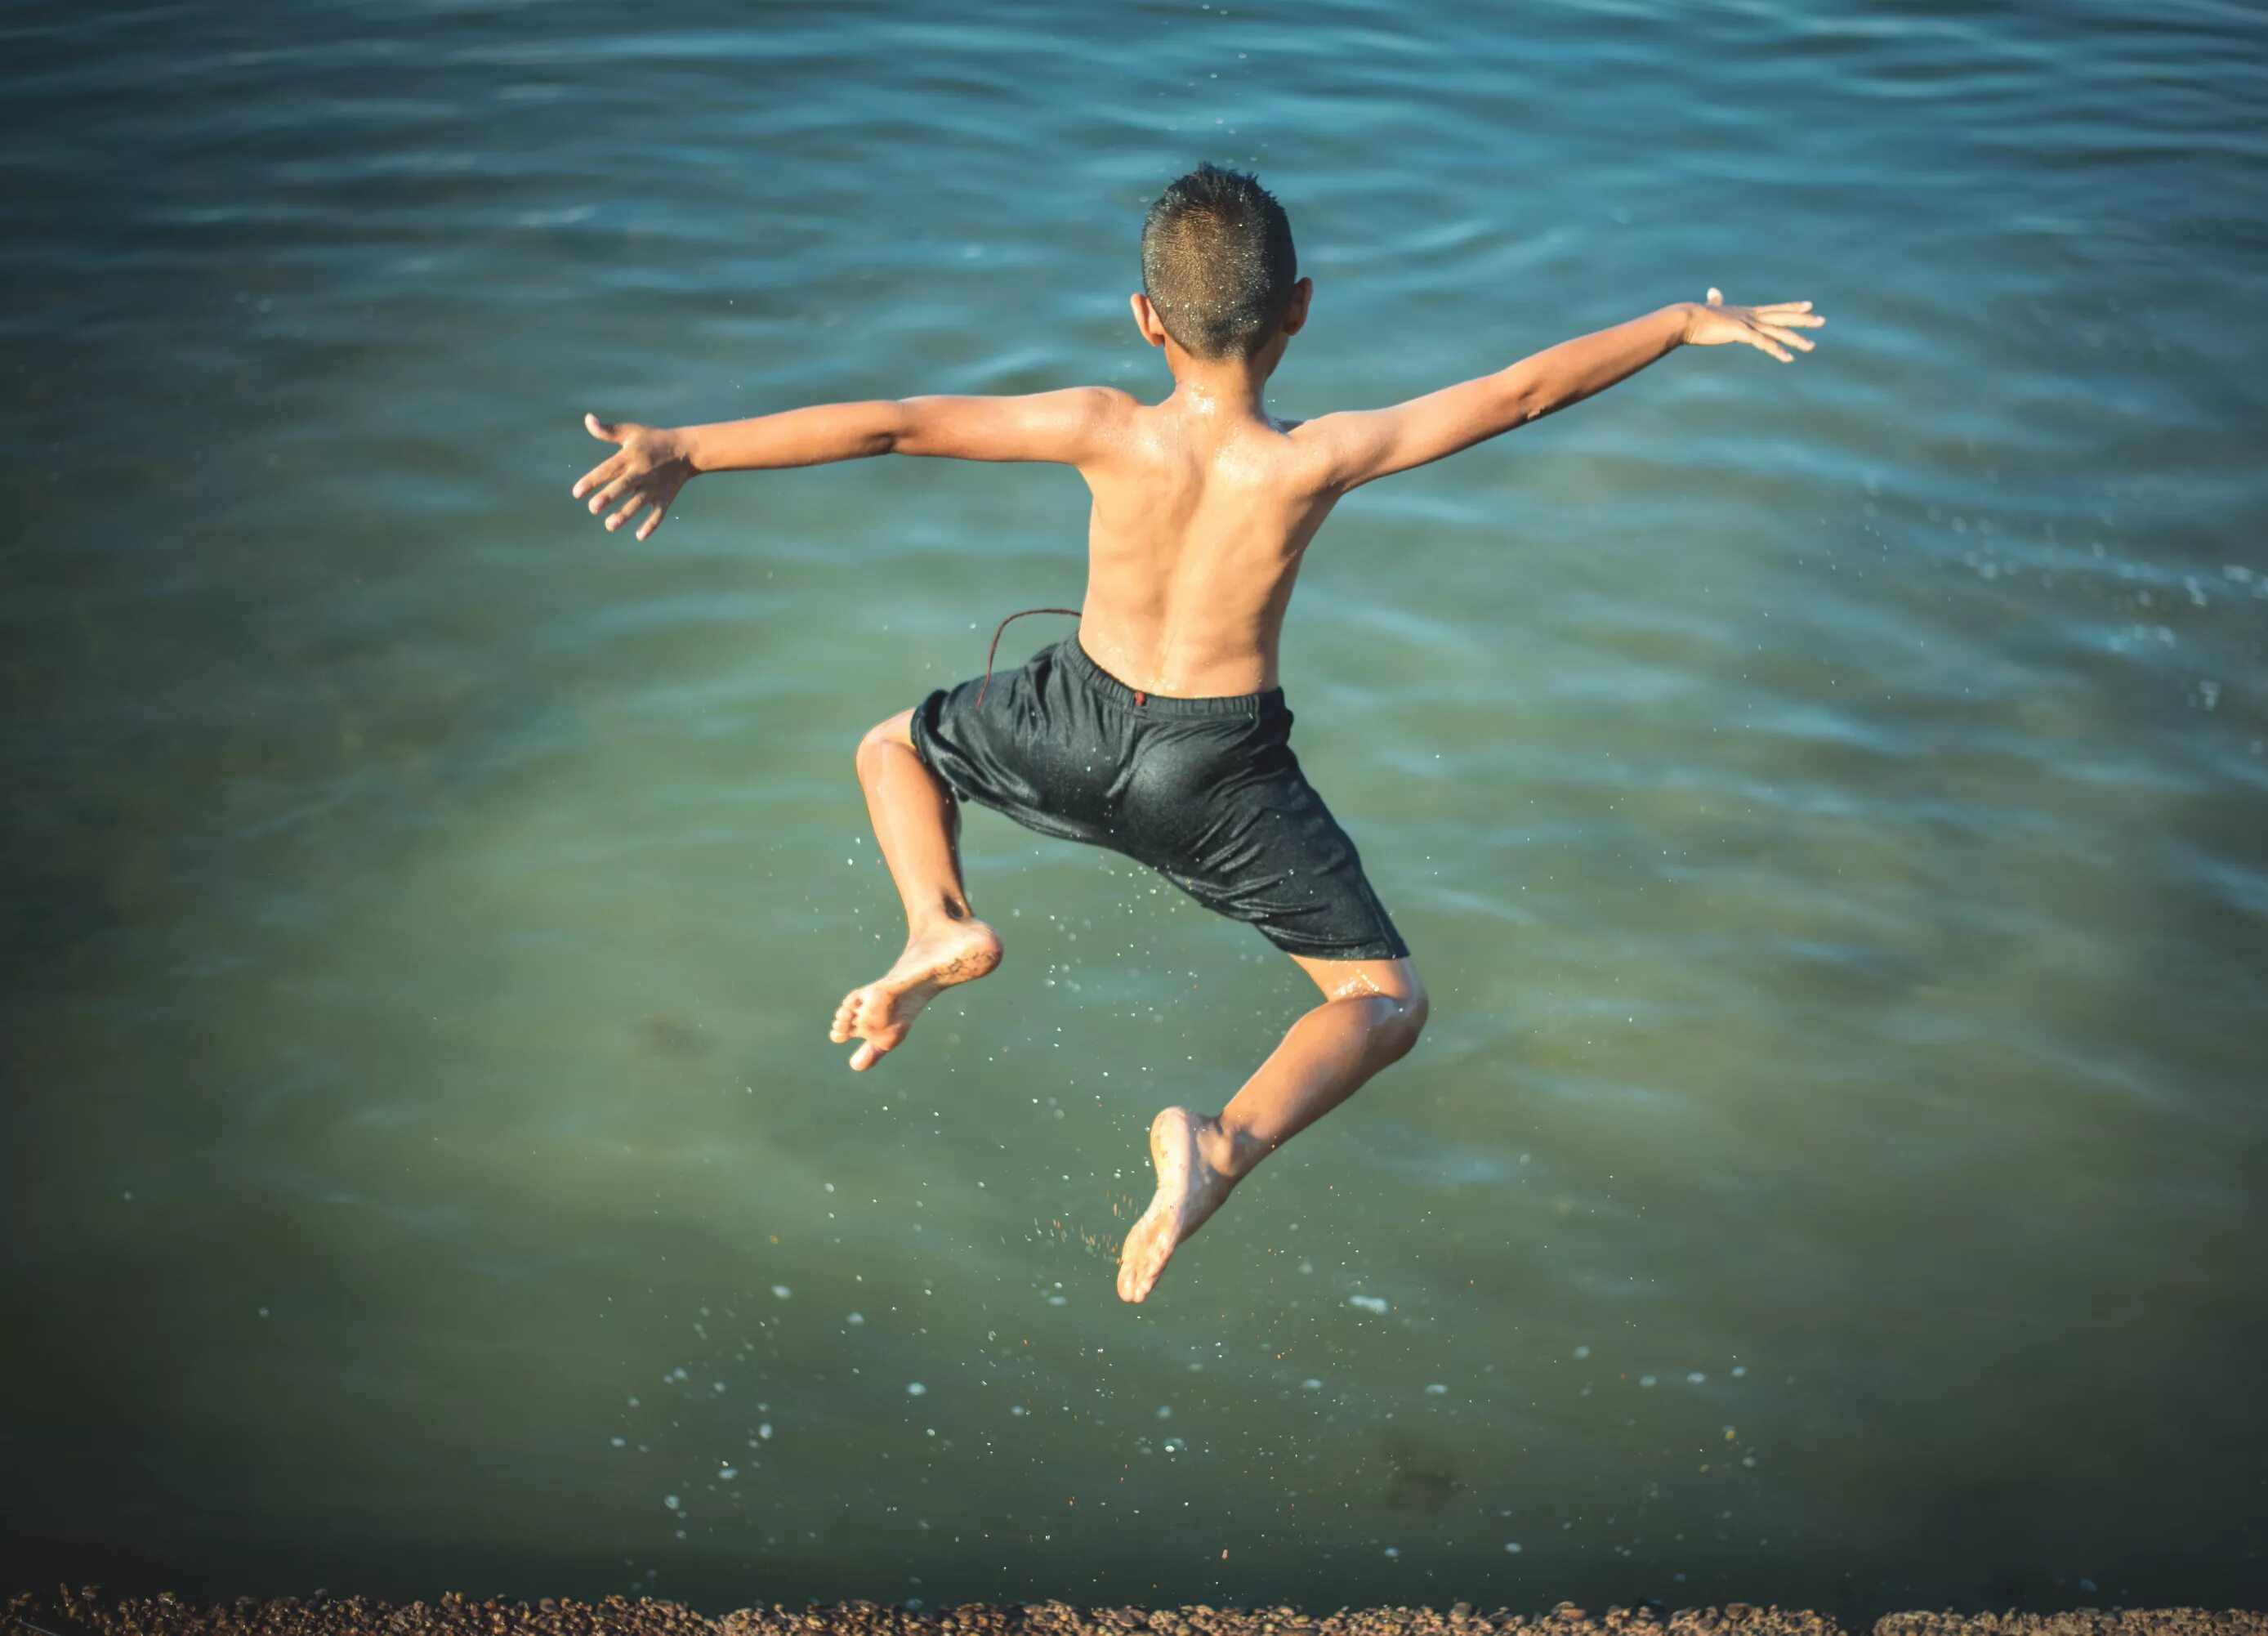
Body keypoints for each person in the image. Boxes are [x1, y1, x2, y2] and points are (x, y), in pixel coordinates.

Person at [569, 163, 1823, 1303]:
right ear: (1301, 312)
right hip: (1213, 773)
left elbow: (893, 422)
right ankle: (1220, 1142)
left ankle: (938, 920)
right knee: (1385, 999)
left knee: (892, 746)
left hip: (1066, 723)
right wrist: (1677, 322)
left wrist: (689, 447)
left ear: (1145, 320)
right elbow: (1523, 392)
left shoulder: (1101, 424)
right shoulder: (1319, 457)